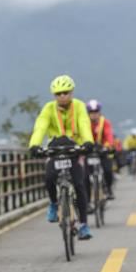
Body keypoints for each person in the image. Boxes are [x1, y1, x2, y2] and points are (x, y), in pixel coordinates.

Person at [28, 75, 94, 240]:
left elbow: (84, 124)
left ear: (71, 92)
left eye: (65, 92)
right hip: (55, 149)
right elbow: (40, 126)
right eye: (58, 94)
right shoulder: (48, 108)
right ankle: (53, 203)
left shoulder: (79, 106)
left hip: (74, 149)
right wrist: (34, 145)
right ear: (54, 95)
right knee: (49, 177)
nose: (62, 96)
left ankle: (84, 225)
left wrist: (88, 142)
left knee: (79, 184)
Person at [85, 99, 115, 200]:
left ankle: (109, 189)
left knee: (108, 170)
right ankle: (87, 200)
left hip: (102, 150)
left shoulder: (105, 122)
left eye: (96, 112)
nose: (94, 115)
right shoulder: (84, 122)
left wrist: (109, 146)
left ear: (99, 112)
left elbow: (109, 135)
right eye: (91, 112)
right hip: (88, 151)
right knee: (84, 176)